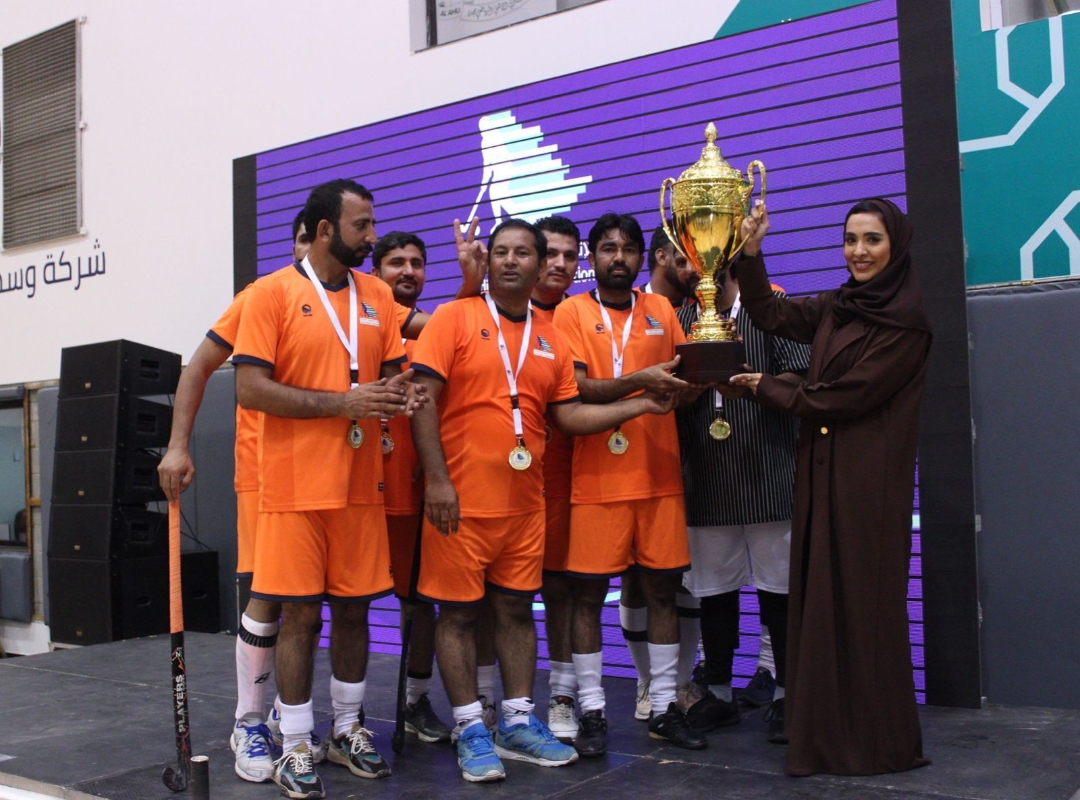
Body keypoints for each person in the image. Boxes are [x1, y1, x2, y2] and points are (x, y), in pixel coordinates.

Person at [409, 218, 678, 783]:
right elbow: (422, 399)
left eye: (522, 253)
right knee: (458, 615)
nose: (510, 261)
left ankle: (515, 721)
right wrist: (436, 480)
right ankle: (470, 727)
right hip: (459, 502)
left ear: (541, 266)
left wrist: (642, 405)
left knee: (514, 610)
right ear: (489, 262)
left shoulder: (553, 334)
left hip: (525, 503)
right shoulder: (455, 317)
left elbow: (569, 416)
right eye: (501, 252)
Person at [233, 179, 427, 799]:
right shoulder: (271, 293)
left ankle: (346, 729)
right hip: (294, 488)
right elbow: (250, 388)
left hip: (361, 486)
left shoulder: (376, 295)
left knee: (354, 610)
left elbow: (392, 374)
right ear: (325, 231)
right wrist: (342, 403)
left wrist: (403, 394)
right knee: (298, 614)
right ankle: (294, 741)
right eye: (361, 226)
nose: (372, 237)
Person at [730, 198, 932, 776]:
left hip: (868, 483)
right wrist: (751, 251)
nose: (858, 252)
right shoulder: (840, 305)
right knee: (823, 601)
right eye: (850, 240)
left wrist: (768, 387)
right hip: (823, 469)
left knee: (863, 607)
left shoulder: (907, 322)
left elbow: (847, 396)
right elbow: (769, 313)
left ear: (895, 246)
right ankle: (824, 735)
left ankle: (874, 743)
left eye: (872, 240)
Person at [158, 212, 326, 785]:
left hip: (329, 475)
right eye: (301, 240)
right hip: (265, 472)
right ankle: (248, 721)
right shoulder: (262, 295)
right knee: (269, 595)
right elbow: (200, 367)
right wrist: (177, 446)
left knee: (310, 606)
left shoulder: (354, 299)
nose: (308, 250)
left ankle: (286, 712)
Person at [553, 212, 720, 757]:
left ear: (639, 258)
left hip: (658, 475)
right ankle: (593, 710)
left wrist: (700, 382)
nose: (618, 257)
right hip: (596, 482)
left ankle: (665, 706)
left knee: (661, 592)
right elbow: (577, 388)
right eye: (608, 248)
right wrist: (640, 386)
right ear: (593, 258)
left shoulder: (662, 310)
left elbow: (683, 379)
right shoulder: (572, 312)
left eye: (627, 248)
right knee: (587, 597)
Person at [675, 259, 810, 743]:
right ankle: (718, 693)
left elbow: (801, 380)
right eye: (685, 257)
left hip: (770, 473)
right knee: (714, 594)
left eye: (699, 256)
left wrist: (756, 386)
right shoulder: (680, 319)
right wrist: (686, 392)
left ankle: (787, 696)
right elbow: (666, 394)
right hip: (707, 478)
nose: (691, 267)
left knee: (781, 593)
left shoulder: (770, 309)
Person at [370, 231, 452, 744]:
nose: (408, 271)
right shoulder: (359, 323)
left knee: (419, 603)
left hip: (412, 491)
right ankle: (320, 713)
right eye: (396, 262)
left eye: (417, 263)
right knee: (336, 605)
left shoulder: (433, 335)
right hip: (356, 490)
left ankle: (417, 700)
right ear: (375, 272)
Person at [531, 215, 581, 742]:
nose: (561, 264)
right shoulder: (492, 312)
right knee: (494, 597)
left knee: (562, 588)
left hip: (566, 471)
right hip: (500, 477)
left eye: (570, 256)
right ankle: (487, 702)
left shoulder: (580, 316)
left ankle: (563, 694)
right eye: (551, 254)